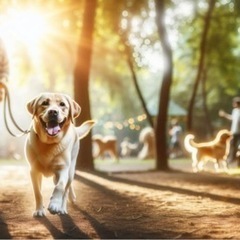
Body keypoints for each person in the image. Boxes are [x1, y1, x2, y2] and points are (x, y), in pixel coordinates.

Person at [219, 96, 240, 165]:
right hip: (234, 132)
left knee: (237, 146)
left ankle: (237, 161)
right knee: (232, 145)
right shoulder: (235, 111)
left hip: (239, 132)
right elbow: (232, 118)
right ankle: (232, 159)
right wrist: (224, 115)